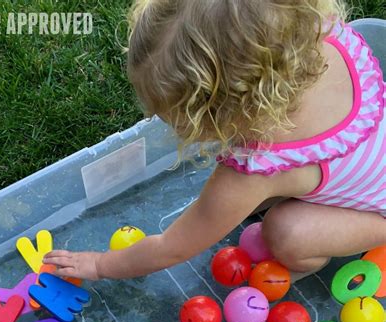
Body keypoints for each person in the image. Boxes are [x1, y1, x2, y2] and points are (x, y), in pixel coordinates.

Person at [44, 0, 385, 281]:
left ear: (225, 114)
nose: (157, 119)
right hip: (369, 162)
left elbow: (173, 246)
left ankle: (304, 262)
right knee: (267, 198)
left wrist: (101, 265)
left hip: (378, 210)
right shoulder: (318, 35)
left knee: (285, 232)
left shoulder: (252, 172)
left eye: (169, 115)